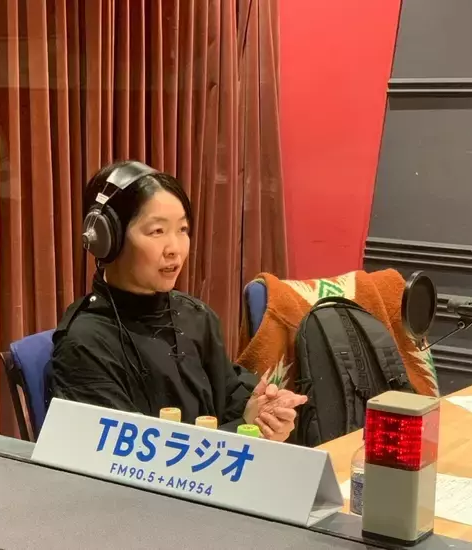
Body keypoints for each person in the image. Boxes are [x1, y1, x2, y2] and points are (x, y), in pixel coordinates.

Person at [48, 160, 307, 441]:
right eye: (157, 231)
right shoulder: (84, 344)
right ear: (107, 238)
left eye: (182, 230)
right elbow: (124, 453)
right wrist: (244, 427)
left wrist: (265, 411)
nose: (175, 249)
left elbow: (229, 393)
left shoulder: (196, 316)